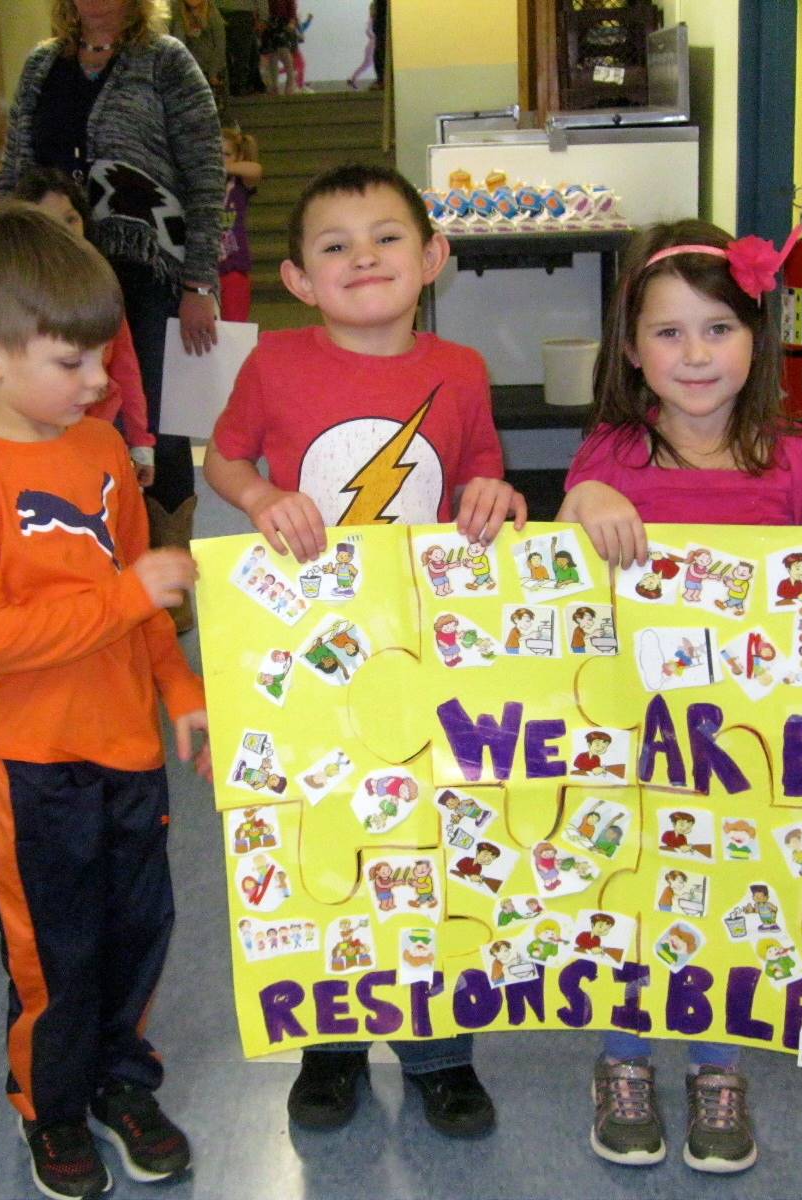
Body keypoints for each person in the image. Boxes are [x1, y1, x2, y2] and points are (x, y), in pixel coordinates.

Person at [560, 217, 802, 1173]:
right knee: (634, 898)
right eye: (669, 332)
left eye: (718, 328)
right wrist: (587, 503)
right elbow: (552, 582)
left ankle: (720, 1068)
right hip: (639, 745)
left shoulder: (799, 454)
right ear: (632, 352)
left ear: (755, 338)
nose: (695, 354)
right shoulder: (611, 453)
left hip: (757, 750)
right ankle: (624, 1058)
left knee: (737, 903)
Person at [205, 162, 524, 1137]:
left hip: (428, 649)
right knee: (326, 835)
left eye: (387, 236)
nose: (362, 258)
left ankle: (439, 1051)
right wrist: (261, 497)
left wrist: (492, 501)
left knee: (429, 843)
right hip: (310, 647)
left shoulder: (461, 369)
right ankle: (330, 1041)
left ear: (433, 256)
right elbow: (221, 457)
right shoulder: (272, 366)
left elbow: (480, 473)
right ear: (299, 279)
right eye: (333, 246)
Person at [0, 203, 212, 1198]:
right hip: (35, 763)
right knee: (55, 948)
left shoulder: (95, 449)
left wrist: (180, 689)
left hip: (128, 748)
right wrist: (128, 594)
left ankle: (123, 1080)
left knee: (139, 930)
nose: (101, 385)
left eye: (105, 360)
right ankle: (50, 1105)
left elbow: (144, 591)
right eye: (75, 363)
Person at [0, 0, 224, 635]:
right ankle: (81, 574)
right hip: (53, 279)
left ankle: (168, 589)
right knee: (62, 414)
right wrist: (0, 264)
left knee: (157, 421)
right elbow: (16, 171)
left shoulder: (166, 61)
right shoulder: (43, 66)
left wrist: (199, 280)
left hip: (148, 275)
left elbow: (206, 175)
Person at [12, 165, 158, 487]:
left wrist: (141, 442)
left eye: (70, 219)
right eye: (45, 223)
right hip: (37, 442)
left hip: (103, 430)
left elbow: (125, 367)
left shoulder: (100, 286)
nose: (62, 232)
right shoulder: (9, 299)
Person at [219, 123, 263, 322]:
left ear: (237, 157)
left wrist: (224, 167)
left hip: (233, 265)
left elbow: (255, 170)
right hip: (204, 267)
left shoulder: (238, 183)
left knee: (234, 324)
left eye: (226, 154)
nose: (219, 159)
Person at [174, 0, 229, 113]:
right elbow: (179, 44)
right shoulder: (180, 15)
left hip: (214, 69)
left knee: (215, 112)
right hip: (193, 70)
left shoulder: (212, 14)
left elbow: (220, 46)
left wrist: (213, 73)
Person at [257, 0, 301, 94]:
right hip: (269, 23)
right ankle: (274, 85)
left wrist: (292, 21)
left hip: (282, 23)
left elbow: (291, 5)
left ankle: (290, 83)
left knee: (284, 52)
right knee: (272, 55)